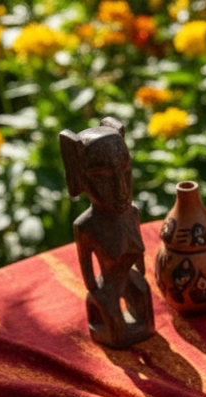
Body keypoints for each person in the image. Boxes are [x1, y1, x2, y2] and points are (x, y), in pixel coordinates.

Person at [59, 117, 155, 348]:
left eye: (126, 170)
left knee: (143, 293)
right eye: (102, 177)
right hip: (107, 288)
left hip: (131, 278)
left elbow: (140, 257)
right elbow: (87, 271)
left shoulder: (131, 213)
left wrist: (140, 273)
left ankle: (139, 326)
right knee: (110, 309)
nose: (121, 189)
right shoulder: (85, 225)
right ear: (79, 177)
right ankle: (112, 330)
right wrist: (95, 292)